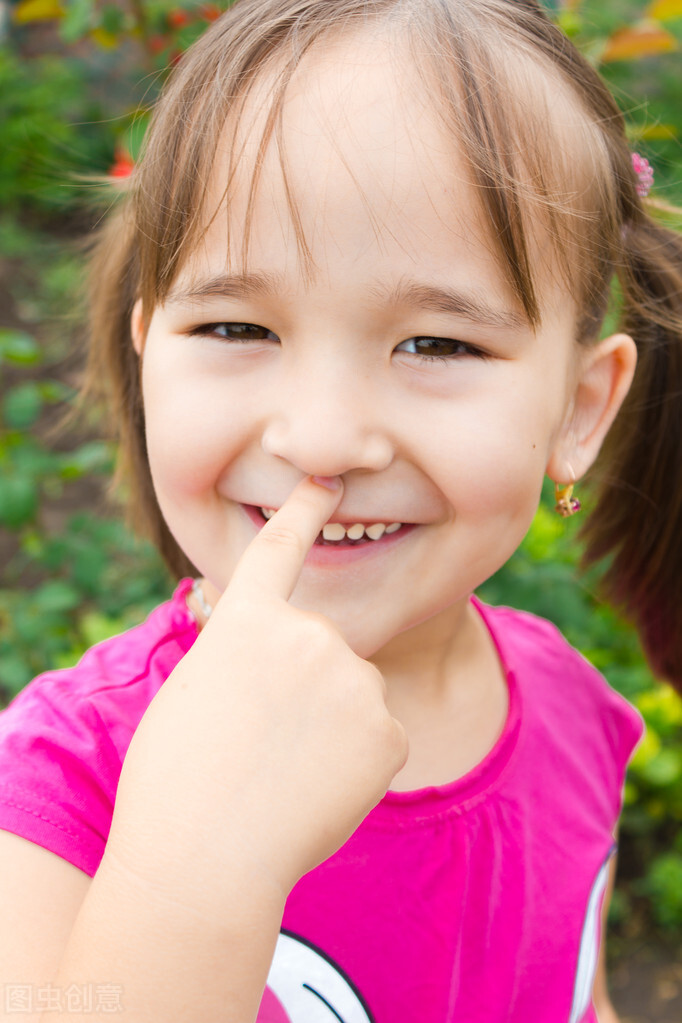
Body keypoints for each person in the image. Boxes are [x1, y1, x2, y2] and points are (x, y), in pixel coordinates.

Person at [0, 1, 680, 1020]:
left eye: (437, 346)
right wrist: (194, 868)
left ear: (578, 411)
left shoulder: (571, 707)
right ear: (151, 358)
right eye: (236, 326)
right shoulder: (60, 787)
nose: (318, 439)